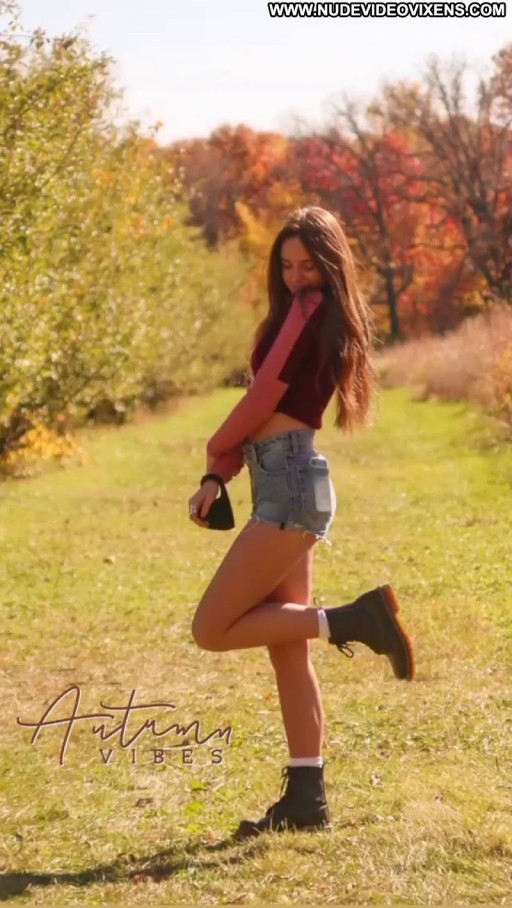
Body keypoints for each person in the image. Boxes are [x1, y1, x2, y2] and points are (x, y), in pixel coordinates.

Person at [187, 206, 415, 840]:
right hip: (286, 479)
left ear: (329, 264)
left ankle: (354, 620)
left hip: (288, 483)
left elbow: (263, 397)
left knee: (211, 628)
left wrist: (213, 450)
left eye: (307, 266)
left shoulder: (309, 310)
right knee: (288, 649)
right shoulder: (307, 311)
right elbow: (267, 410)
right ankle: (307, 799)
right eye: (286, 266)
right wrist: (221, 472)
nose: (295, 278)